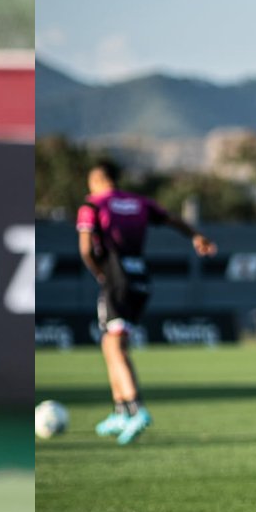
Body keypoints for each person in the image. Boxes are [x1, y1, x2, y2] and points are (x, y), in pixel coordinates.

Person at [77, 161, 216, 445]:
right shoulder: (139, 202)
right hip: (139, 277)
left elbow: (85, 248)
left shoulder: (92, 205)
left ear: (96, 180)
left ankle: (135, 408)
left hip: (116, 280)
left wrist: (100, 273)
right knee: (111, 343)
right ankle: (119, 411)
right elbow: (172, 219)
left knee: (115, 345)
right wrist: (196, 236)